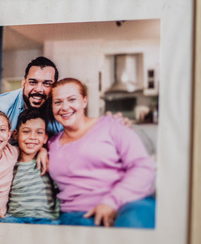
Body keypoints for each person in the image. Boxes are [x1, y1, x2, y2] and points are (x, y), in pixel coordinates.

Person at [47, 78, 156, 228]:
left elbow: (142, 167)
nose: (65, 107)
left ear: (84, 101)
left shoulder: (112, 125)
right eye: (58, 102)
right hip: (78, 215)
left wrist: (110, 202)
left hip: (128, 204)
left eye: (72, 99)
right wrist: (40, 150)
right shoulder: (50, 144)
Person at [0, 108, 59, 225]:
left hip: (45, 219)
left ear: (45, 137)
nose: (32, 137)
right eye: (26, 131)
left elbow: (59, 190)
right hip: (15, 218)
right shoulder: (9, 162)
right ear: (15, 135)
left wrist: (56, 218)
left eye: (39, 132)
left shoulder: (48, 161)